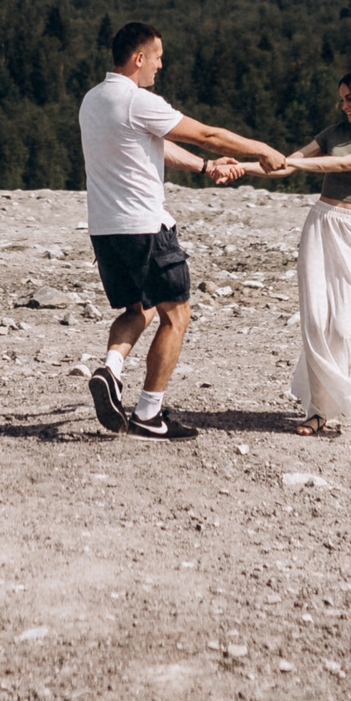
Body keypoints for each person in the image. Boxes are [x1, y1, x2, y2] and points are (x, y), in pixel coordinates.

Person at [79, 21, 288, 440]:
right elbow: (208, 134)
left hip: (106, 229)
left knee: (139, 310)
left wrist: (205, 167)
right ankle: (148, 414)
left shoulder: (92, 100)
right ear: (138, 58)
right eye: (157, 56)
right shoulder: (138, 100)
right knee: (177, 315)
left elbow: (156, 144)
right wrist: (262, 148)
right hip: (146, 229)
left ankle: (111, 370)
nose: (160, 64)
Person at [223, 66, 351, 436]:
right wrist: (242, 168)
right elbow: (283, 167)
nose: (344, 106)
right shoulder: (334, 133)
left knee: (342, 326)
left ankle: (344, 381)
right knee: (315, 322)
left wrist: (291, 161)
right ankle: (318, 410)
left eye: (350, 99)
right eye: (341, 99)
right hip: (321, 225)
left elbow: (345, 164)